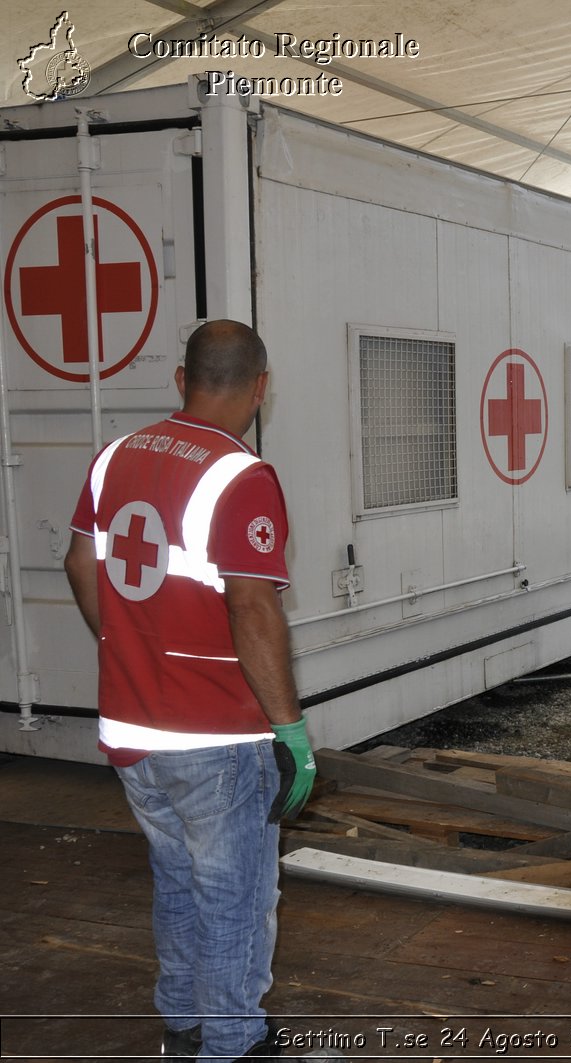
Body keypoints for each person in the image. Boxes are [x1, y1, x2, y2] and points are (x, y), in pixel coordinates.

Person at [63, 320, 317, 1061]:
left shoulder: (116, 457)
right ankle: (234, 1044)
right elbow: (253, 607)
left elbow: (81, 564)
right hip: (215, 735)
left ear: (182, 379)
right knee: (236, 895)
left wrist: (125, 646)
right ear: (261, 387)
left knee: (176, 876)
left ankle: (183, 1020)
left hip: (131, 728)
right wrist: (291, 731)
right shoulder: (241, 476)